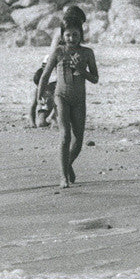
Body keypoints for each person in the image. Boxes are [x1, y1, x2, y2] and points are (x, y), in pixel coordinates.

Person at [37, 18, 99, 189]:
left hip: (79, 100)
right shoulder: (58, 52)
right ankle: (63, 176)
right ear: (62, 36)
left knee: (78, 140)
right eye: (68, 35)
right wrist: (39, 96)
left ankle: (67, 164)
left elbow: (95, 78)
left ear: (81, 35)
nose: (72, 38)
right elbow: (45, 75)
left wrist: (81, 70)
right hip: (61, 97)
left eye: (75, 35)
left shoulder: (87, 53)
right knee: (65, 136)